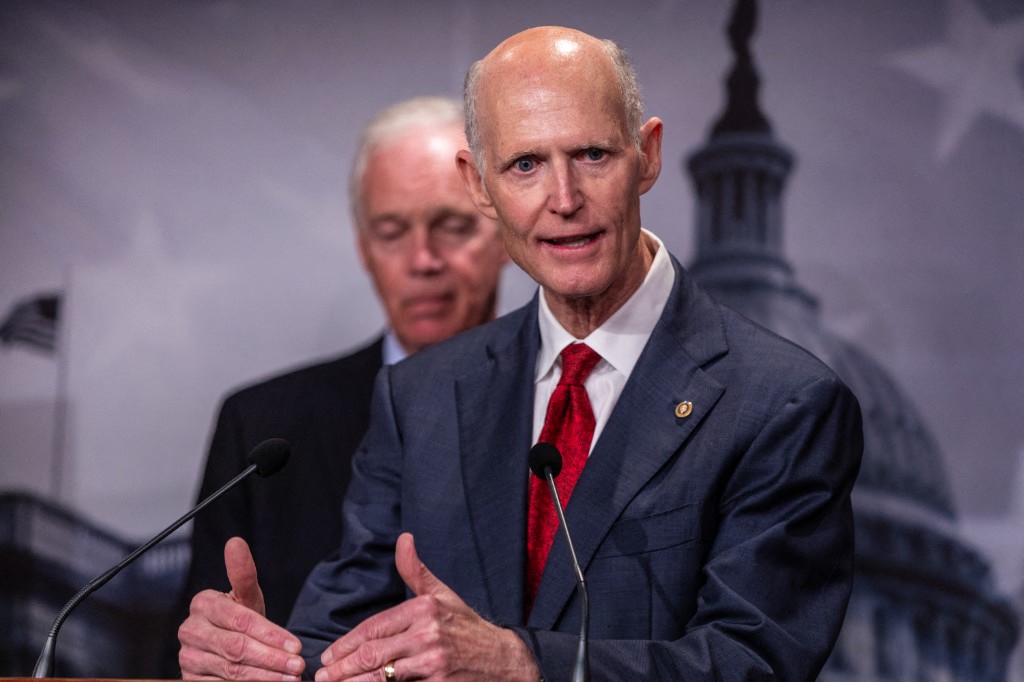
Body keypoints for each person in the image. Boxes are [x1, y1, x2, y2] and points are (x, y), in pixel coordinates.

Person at [177, 27, 863, 681]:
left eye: (592, 155)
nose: (563, 200)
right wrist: (274, 663)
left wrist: (526, 667)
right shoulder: (421, 395)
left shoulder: (783, 402)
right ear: (480, 185)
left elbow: (753, 663)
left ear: (647, 155)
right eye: (526, 165)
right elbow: (344, 638)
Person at [177, 95, 509, 629]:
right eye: (392, 232)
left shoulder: (569, 406)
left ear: (505, 236)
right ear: (363, 248)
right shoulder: (262, 429)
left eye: (451, 225)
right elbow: (189, 650)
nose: (422, 261)